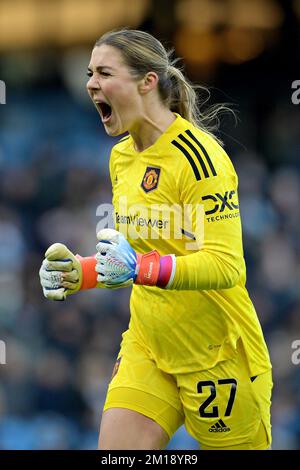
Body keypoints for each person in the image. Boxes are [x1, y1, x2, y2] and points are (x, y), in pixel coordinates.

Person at [39, 29, 272, 450]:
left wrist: (139, 268)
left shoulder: (200, 160)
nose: (91, 83)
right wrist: (83, 273)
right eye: (89, 73)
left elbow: (227, 266)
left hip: (216, 355)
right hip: (148, 345)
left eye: (104, 72)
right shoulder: (121, 157)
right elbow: (140, 256)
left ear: (147, 81)